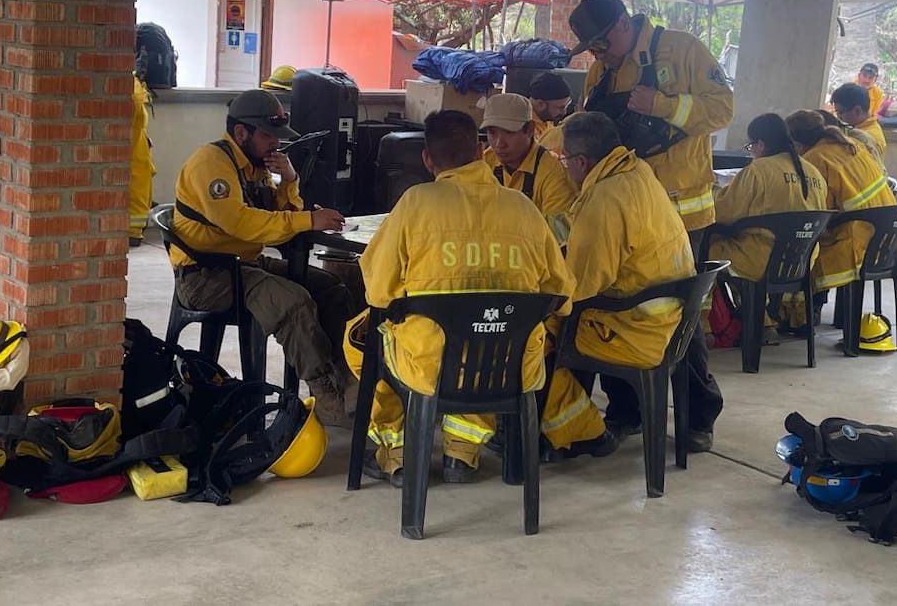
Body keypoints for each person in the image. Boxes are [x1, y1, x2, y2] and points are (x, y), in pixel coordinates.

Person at [345, 110, 574, 487]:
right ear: (480, 152)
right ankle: (462, 453)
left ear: (427, 159)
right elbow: (562, 296)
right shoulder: (524, 208)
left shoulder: (415, 203)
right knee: (487, 335)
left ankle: (398, 454)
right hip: (509, 365)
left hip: (431, 365)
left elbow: (380, 292)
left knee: (361, 337)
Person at [569, 0, 731, 450]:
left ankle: (697, 418)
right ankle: (627, 411)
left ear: (623, 23)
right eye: (592, 49)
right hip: (621, 211)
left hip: (680, 212)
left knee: (677, 316)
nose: (598, 55)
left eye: (602, 44)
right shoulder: (602, 70)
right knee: (613, 304)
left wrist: (662, 104)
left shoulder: (681, 50)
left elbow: (722, 108)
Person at [171, 89, 358, 426]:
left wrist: (289, 180)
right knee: (293, 302)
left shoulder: (254, 166)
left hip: (244, 264)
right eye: (268, 135)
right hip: (206, 275)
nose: (276, 144)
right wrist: (308, 220)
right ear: (241, 132)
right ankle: (324, 392)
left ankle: (347, 378)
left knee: (331, 288)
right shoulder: (211, 164)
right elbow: (242, 223)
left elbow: (280, 217)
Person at [540, 112, 695, 455]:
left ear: (581, 162)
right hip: (670, 318)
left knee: (535, 335)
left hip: (634, 329)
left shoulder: (605, 198)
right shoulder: (637, 171)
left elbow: (580, 285)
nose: (563, 167)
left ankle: (580, 435)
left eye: (564, 160)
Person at [707, 113, 828, 342]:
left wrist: (711, 190)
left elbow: (723, 213)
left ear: (760, 144)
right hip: (801, 261)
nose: (751, 151)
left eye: (750, 146)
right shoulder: (813, 172)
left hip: (761, 260)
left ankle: (706, 326)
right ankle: (763, 322)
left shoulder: (759, 171)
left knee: (707, 247)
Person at [785, 110, 897, 294]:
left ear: (797, 144)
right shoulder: (849, 144)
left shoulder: (815, 159)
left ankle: (802, 308)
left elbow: (816, 211)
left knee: (796, 260)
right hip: (883, 238)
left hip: (855, 242)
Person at [480, 93, 577, 242]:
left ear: (530, 129)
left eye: (509, 132)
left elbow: (559, 234)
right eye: (492, 133)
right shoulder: (484, 162)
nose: (499, 143)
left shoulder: (555, 173)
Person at [128, 74, 155, 248]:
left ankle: (134, 231)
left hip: (138, 155)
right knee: (137, 188)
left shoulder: (133, 87)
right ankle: (133, 231)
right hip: (137, 157)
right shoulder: (134, 89)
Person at [831, 82, 887, 160]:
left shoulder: (864, 139)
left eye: (841, 112)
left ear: (857, 110)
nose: (838, 117)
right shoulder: (867, 126)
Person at [527, 71, 573, 153]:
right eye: (560, 108)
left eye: (566, 106)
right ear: (541, 104)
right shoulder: (524, 130)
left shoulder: (545, 119)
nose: (564, 112)